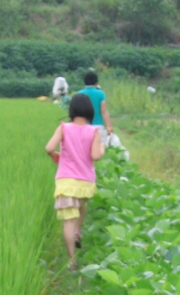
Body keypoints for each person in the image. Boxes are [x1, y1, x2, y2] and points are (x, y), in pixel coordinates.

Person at [45, 93, 104, 268]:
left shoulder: (64, 128)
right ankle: (78, 232)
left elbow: (48, 148)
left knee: (68, 220)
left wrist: (55, 155)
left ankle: (71, 260)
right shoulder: (93, 131)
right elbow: (95, 156)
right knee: (81, 204)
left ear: (71, 110)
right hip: (85, 182)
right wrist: (102, 148)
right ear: (89, 111)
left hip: (66, 181)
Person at [78, 70, 114, 146]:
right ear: (96, 82)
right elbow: (103, 111)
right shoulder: (100, 93)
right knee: (98, 150)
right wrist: (109, 126)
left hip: (83, 126)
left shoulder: (79, 93)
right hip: (97, 127)